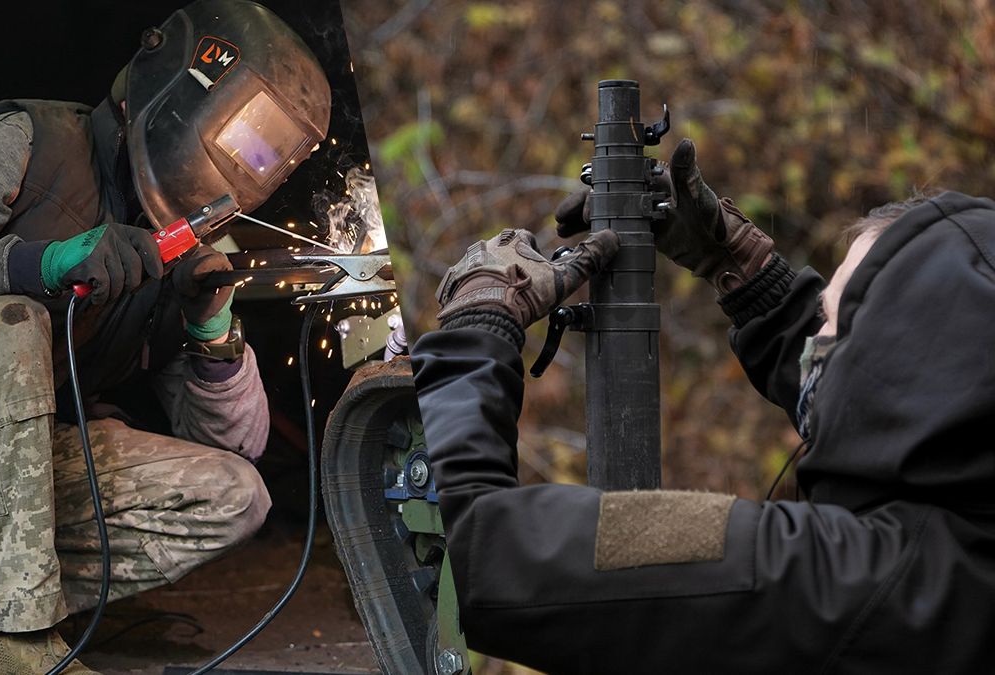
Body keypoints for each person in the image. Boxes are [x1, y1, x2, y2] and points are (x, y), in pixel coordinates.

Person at [0, 1, 330, 672]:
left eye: (266, 155)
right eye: (243, 134)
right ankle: (5, 642)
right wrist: (37, 265)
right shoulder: (29, 141)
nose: (246, 161)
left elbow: (231, 449)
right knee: (11, 322)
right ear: (177, 81)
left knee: (233, 494)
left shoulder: (177, 258)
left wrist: (211, 331)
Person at [412, 137, 995, 674]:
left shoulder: (834, 583)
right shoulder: (963, 546)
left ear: (890, 365)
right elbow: (897, 394)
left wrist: (476, 329)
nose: (814, 341)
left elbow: (487, 557)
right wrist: (750, 276)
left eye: (829, 319)